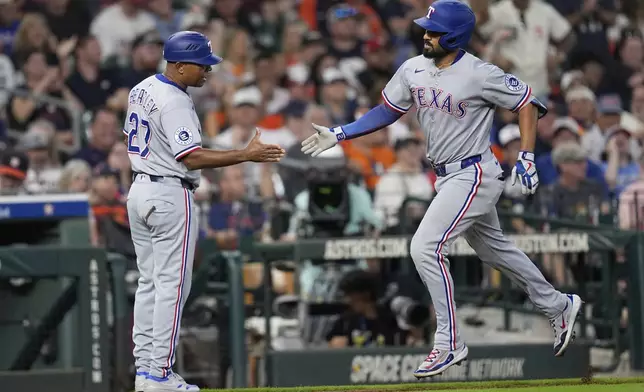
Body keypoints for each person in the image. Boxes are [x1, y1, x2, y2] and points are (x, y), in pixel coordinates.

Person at [300, 0, 582, 378]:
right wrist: (339, 133)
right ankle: (557, 304)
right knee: (494, 249)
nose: (426, 36)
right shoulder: (413, 68)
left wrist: (527, 156)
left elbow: (528, 102)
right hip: (446, 176)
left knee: (424, 246)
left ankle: (449, 341)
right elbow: (387, 110)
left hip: (475, 172)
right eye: (426, 30)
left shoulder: (479, 73)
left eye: (434, 32)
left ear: (454, 36)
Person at [126, 31, 284, 392]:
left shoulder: (142, 87)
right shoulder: (175, 101)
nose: (207, 71)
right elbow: (191, 157)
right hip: (168, 192)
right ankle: (159, 374)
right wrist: (245, 155)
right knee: (172, 286)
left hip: (140, 189)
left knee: (150, 283)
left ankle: (146, 371)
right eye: (200, 65)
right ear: (179, 65)